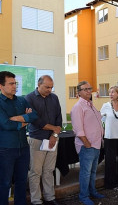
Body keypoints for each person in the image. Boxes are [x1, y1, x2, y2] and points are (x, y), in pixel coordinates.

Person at [0, 71, 37, 205]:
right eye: (11, 84)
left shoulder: (22, 100)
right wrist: (25, 119)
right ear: (1, 86)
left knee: (22, 181)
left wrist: (19, 119)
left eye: (15, 83)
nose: (14, 86)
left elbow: (34, 116)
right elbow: (6, 124)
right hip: (6, 150)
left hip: (23, 148)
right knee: (4, 183)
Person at [25, 75, 62, 205]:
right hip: (37, 139)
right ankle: (36, 200)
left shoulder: (54, 98)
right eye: (47, 87)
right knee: (36, 172)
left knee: (49, 170)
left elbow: (59, 118)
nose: (49, 90)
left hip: (52, 140)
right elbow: (35, 120)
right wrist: (54, 129)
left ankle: (50, 197)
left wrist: (54, 135)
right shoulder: (29, 98)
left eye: (51, 87)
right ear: (39, 84)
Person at [71, 81, 105, 205]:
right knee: (85, 173)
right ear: (79, 92)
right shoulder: (78, 107)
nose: (89, 91)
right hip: (87, 146)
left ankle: (92, 191)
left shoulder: (90, 105)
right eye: (85, 89)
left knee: (93, 171)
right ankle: (83, 196)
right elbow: (78, 129)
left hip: (96, 144)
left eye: (90, 89)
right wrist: (86, 143)